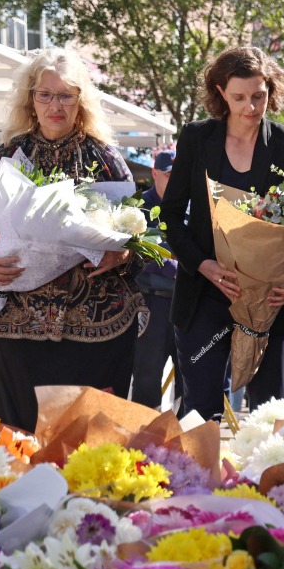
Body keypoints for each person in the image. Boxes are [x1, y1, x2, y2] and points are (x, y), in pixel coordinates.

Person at [0, 48, 140, 432]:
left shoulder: (104, 158)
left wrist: (123, 256)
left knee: (85, 446)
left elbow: (140, 240)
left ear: (80, 101)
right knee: (12, 444)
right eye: (45, 94)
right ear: (30, 100)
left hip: (93, 331)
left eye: (66, 95)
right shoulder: (8, 156)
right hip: (11, 327)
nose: (55, 104)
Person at [161, 45, 284, 421]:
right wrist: (203, 265)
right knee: (199, 414)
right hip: (205, 296)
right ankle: (198, 482)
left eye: (259, 96)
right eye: (239, 97)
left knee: (270, 415)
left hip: (270, 300)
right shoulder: (196, 138)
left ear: (271, 92)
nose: (250, 107)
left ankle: (268, 481)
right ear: (220, 92)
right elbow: (171, 216)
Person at [129, 150, 179, 408]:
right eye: (169, 175)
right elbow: (141, 254)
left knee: (189, 378)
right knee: (147, 376)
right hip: (151, 304)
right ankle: (144, 438)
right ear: (155, 173)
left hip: (185, 304)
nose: (174, 180)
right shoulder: (139, 207)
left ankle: (186, 437)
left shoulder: (191, 205)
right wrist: (179, 266)